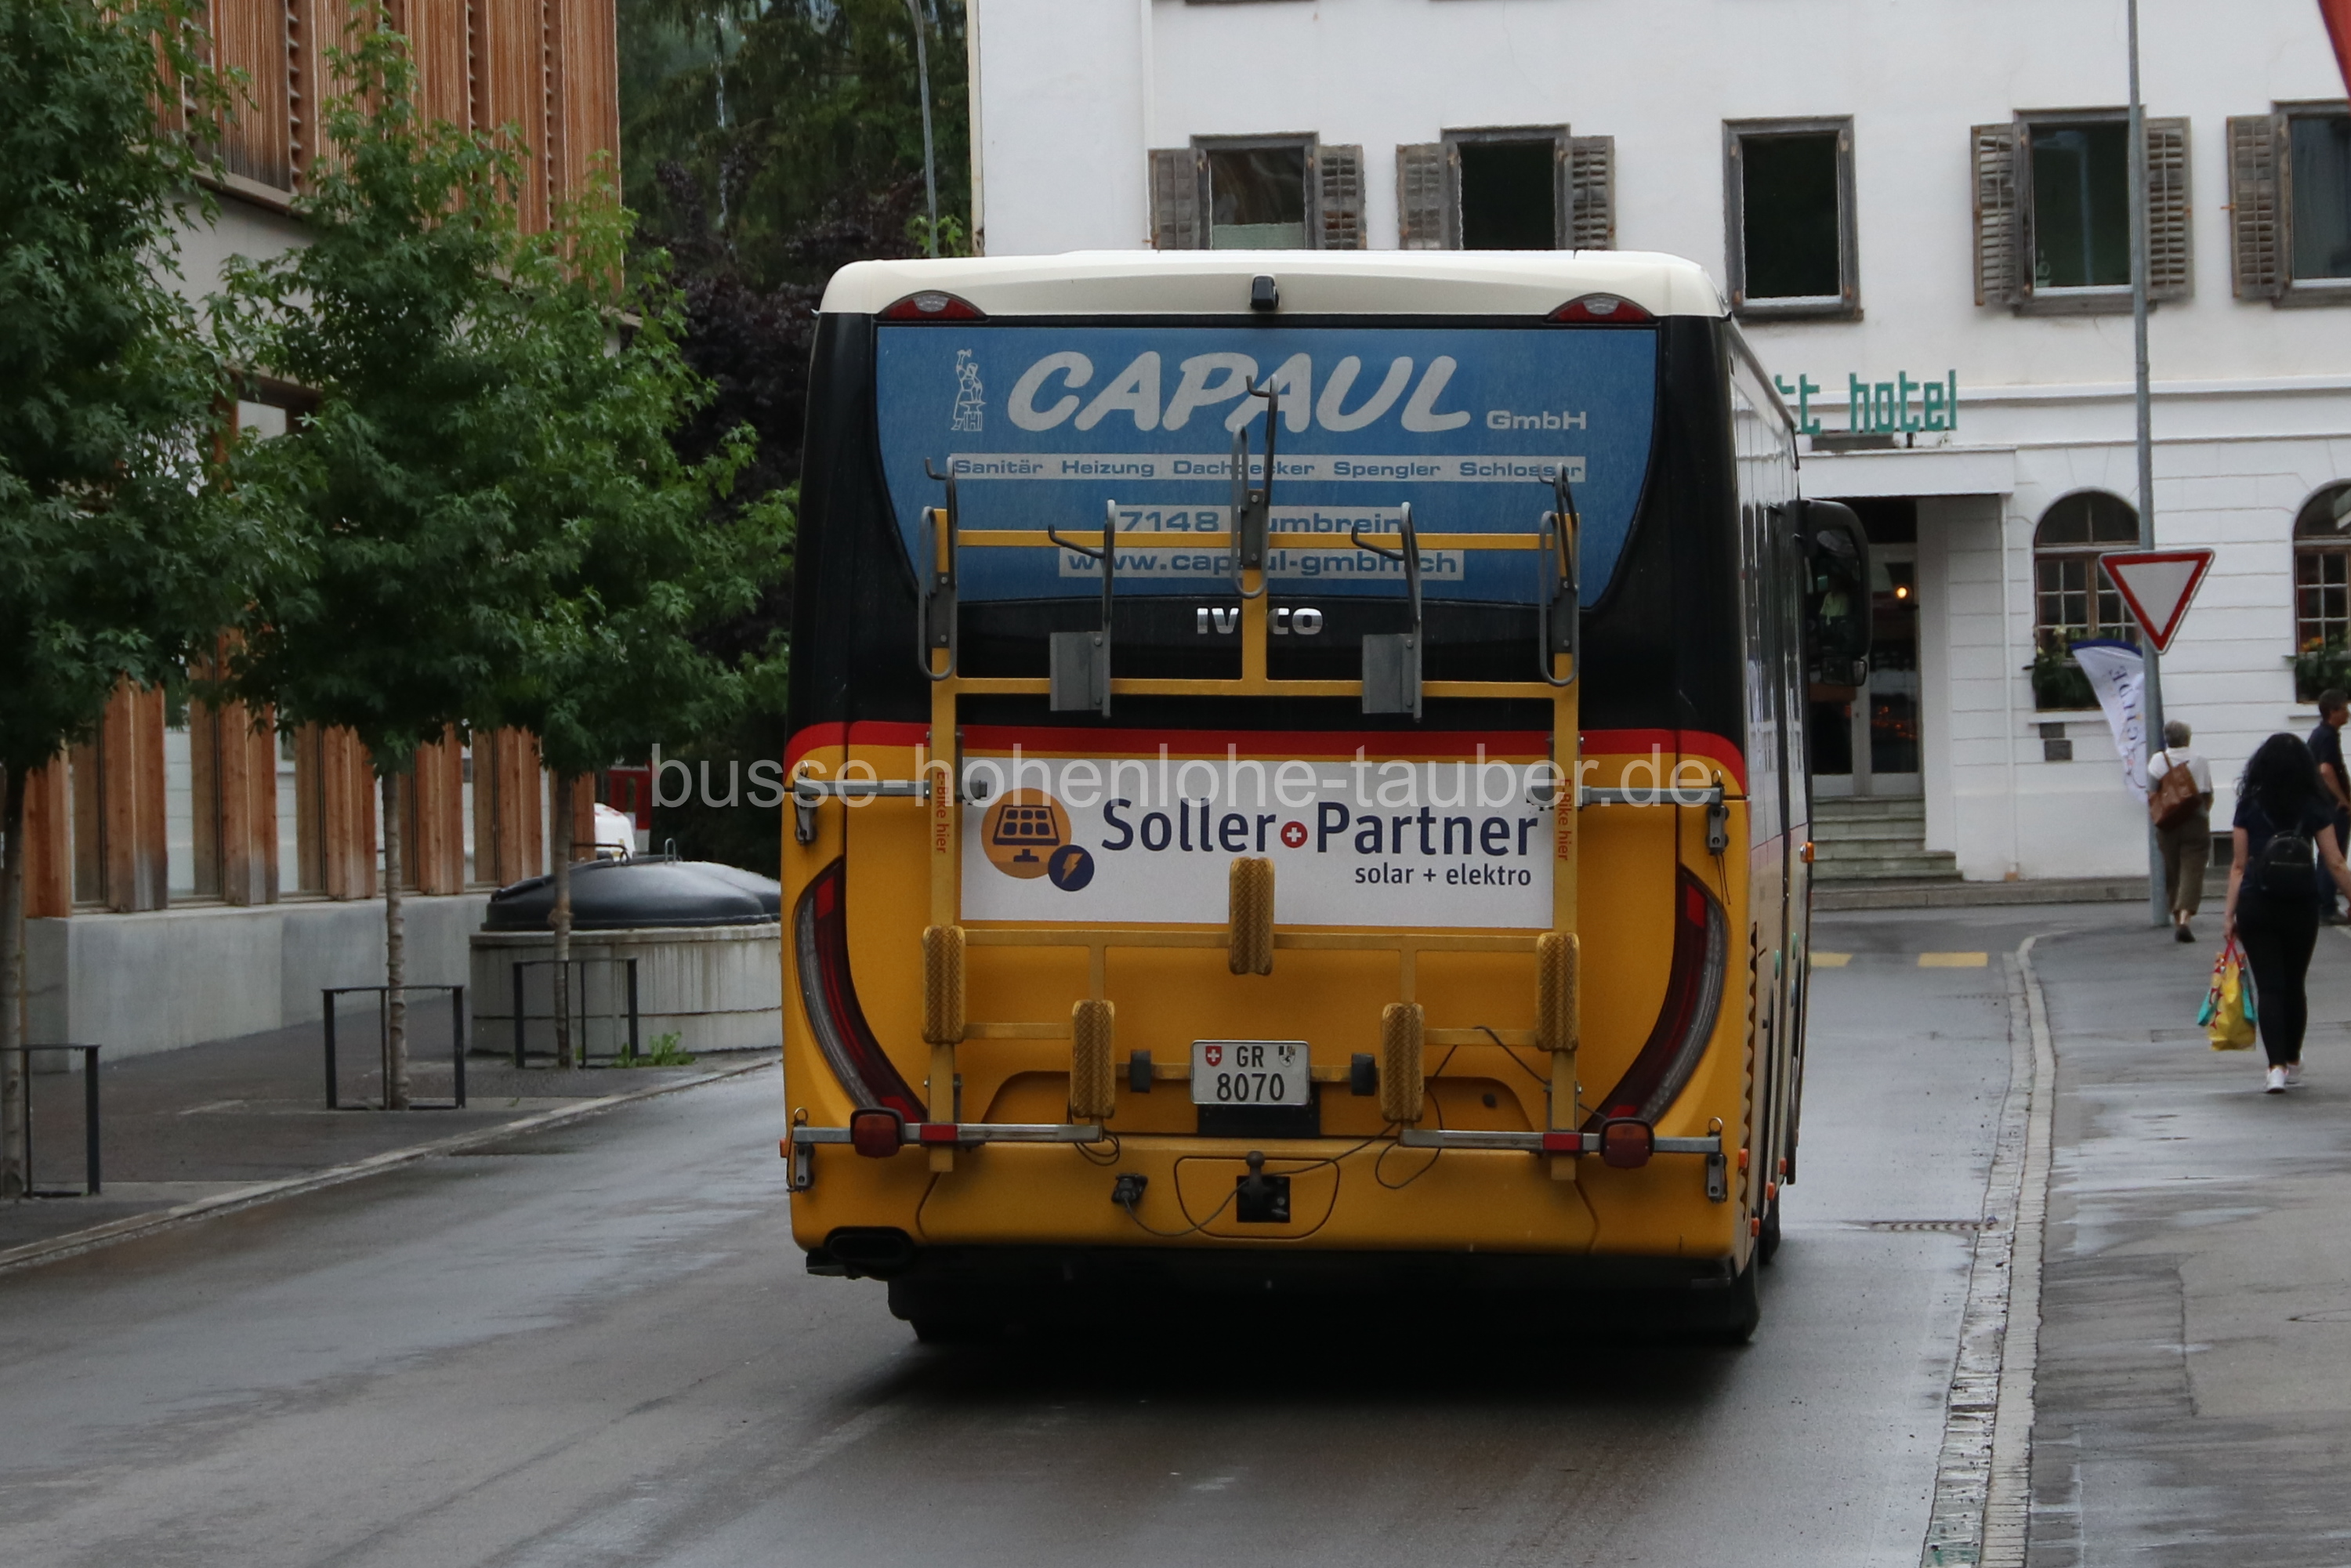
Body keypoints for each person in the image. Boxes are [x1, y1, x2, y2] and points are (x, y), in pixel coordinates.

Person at [2224, 733, 2351, 1092]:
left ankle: (2275, 1068)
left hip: (2256, 903)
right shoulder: (2313, 805)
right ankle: (2293, 1060)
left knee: (2270, 987)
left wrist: (2229, 915)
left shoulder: (2249, 804)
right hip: (2300, 903)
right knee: (2295, 984)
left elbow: (2238, 865)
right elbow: (2335, 862)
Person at [2146, 719, 2214, 943]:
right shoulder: (2200, 760)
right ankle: (2185, 918)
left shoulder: (2158, 760)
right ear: (2188, 738)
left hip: (2168, 823)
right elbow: (2207, 794)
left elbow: (2152, 792)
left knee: (2173, 869)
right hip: (2195, 821)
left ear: (2167, 739)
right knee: (2192, 870)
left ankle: (2176, 917)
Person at [2309, 689, 2351, 922]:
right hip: (2332, 806)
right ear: (2333, 712)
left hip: (2321, 803)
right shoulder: (2327, 736)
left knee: (2327, 854)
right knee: (2333, 854)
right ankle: (2326, 905)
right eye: (2344, 708)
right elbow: (2325, 770)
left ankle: (2322, 902)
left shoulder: (2321, 734)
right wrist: (2342, 799)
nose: (2348, 713)